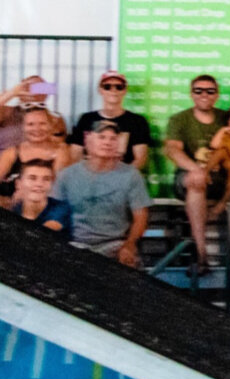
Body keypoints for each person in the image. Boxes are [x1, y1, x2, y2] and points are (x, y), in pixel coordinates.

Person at [54, 119, 151, 265]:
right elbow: (54, 214)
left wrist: (129, 245)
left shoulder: (131, 175)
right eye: (102, 137)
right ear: (88, 140)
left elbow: (141, 217)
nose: (107, 142)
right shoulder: (67, 175)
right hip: (75, 244)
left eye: (113, 138)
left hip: (114, 244)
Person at [159, 74, 225, 268]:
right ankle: (201, 253)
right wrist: (197, 170)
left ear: (216, 95)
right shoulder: (179, 119)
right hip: (188, 177)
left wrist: (207, 169)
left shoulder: (227, 118)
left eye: (210, 91)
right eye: (199, 90)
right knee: (196, 182)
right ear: (191, 94)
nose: (204, 94)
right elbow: (172, 150)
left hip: (220, 179)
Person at [68, 71, 151, 170]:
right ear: (100, 90)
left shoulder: (138, 121)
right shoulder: (86, 119)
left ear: (125, 90)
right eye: (107, 86)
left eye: (119, 87)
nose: (113, 90)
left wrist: (122, 179)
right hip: (89, 178)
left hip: (123, 180)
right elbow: (75, 155)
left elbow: (141, 159)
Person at [0, 106, 71, 205]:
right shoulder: (11, 152)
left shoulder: (60, 151)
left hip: (44, 206)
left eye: (42, 124)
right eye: (30, 124)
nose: (37, 129)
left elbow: (57, 189)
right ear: (23, 127)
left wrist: (26, 195)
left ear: (51, 126)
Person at [6, 157, 71, 231]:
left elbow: (42, 235)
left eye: (46, 179)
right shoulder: (14, 209)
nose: (39, 184)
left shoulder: (61, 208)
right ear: (18, 184)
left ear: (52, 184)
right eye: (32, 178)